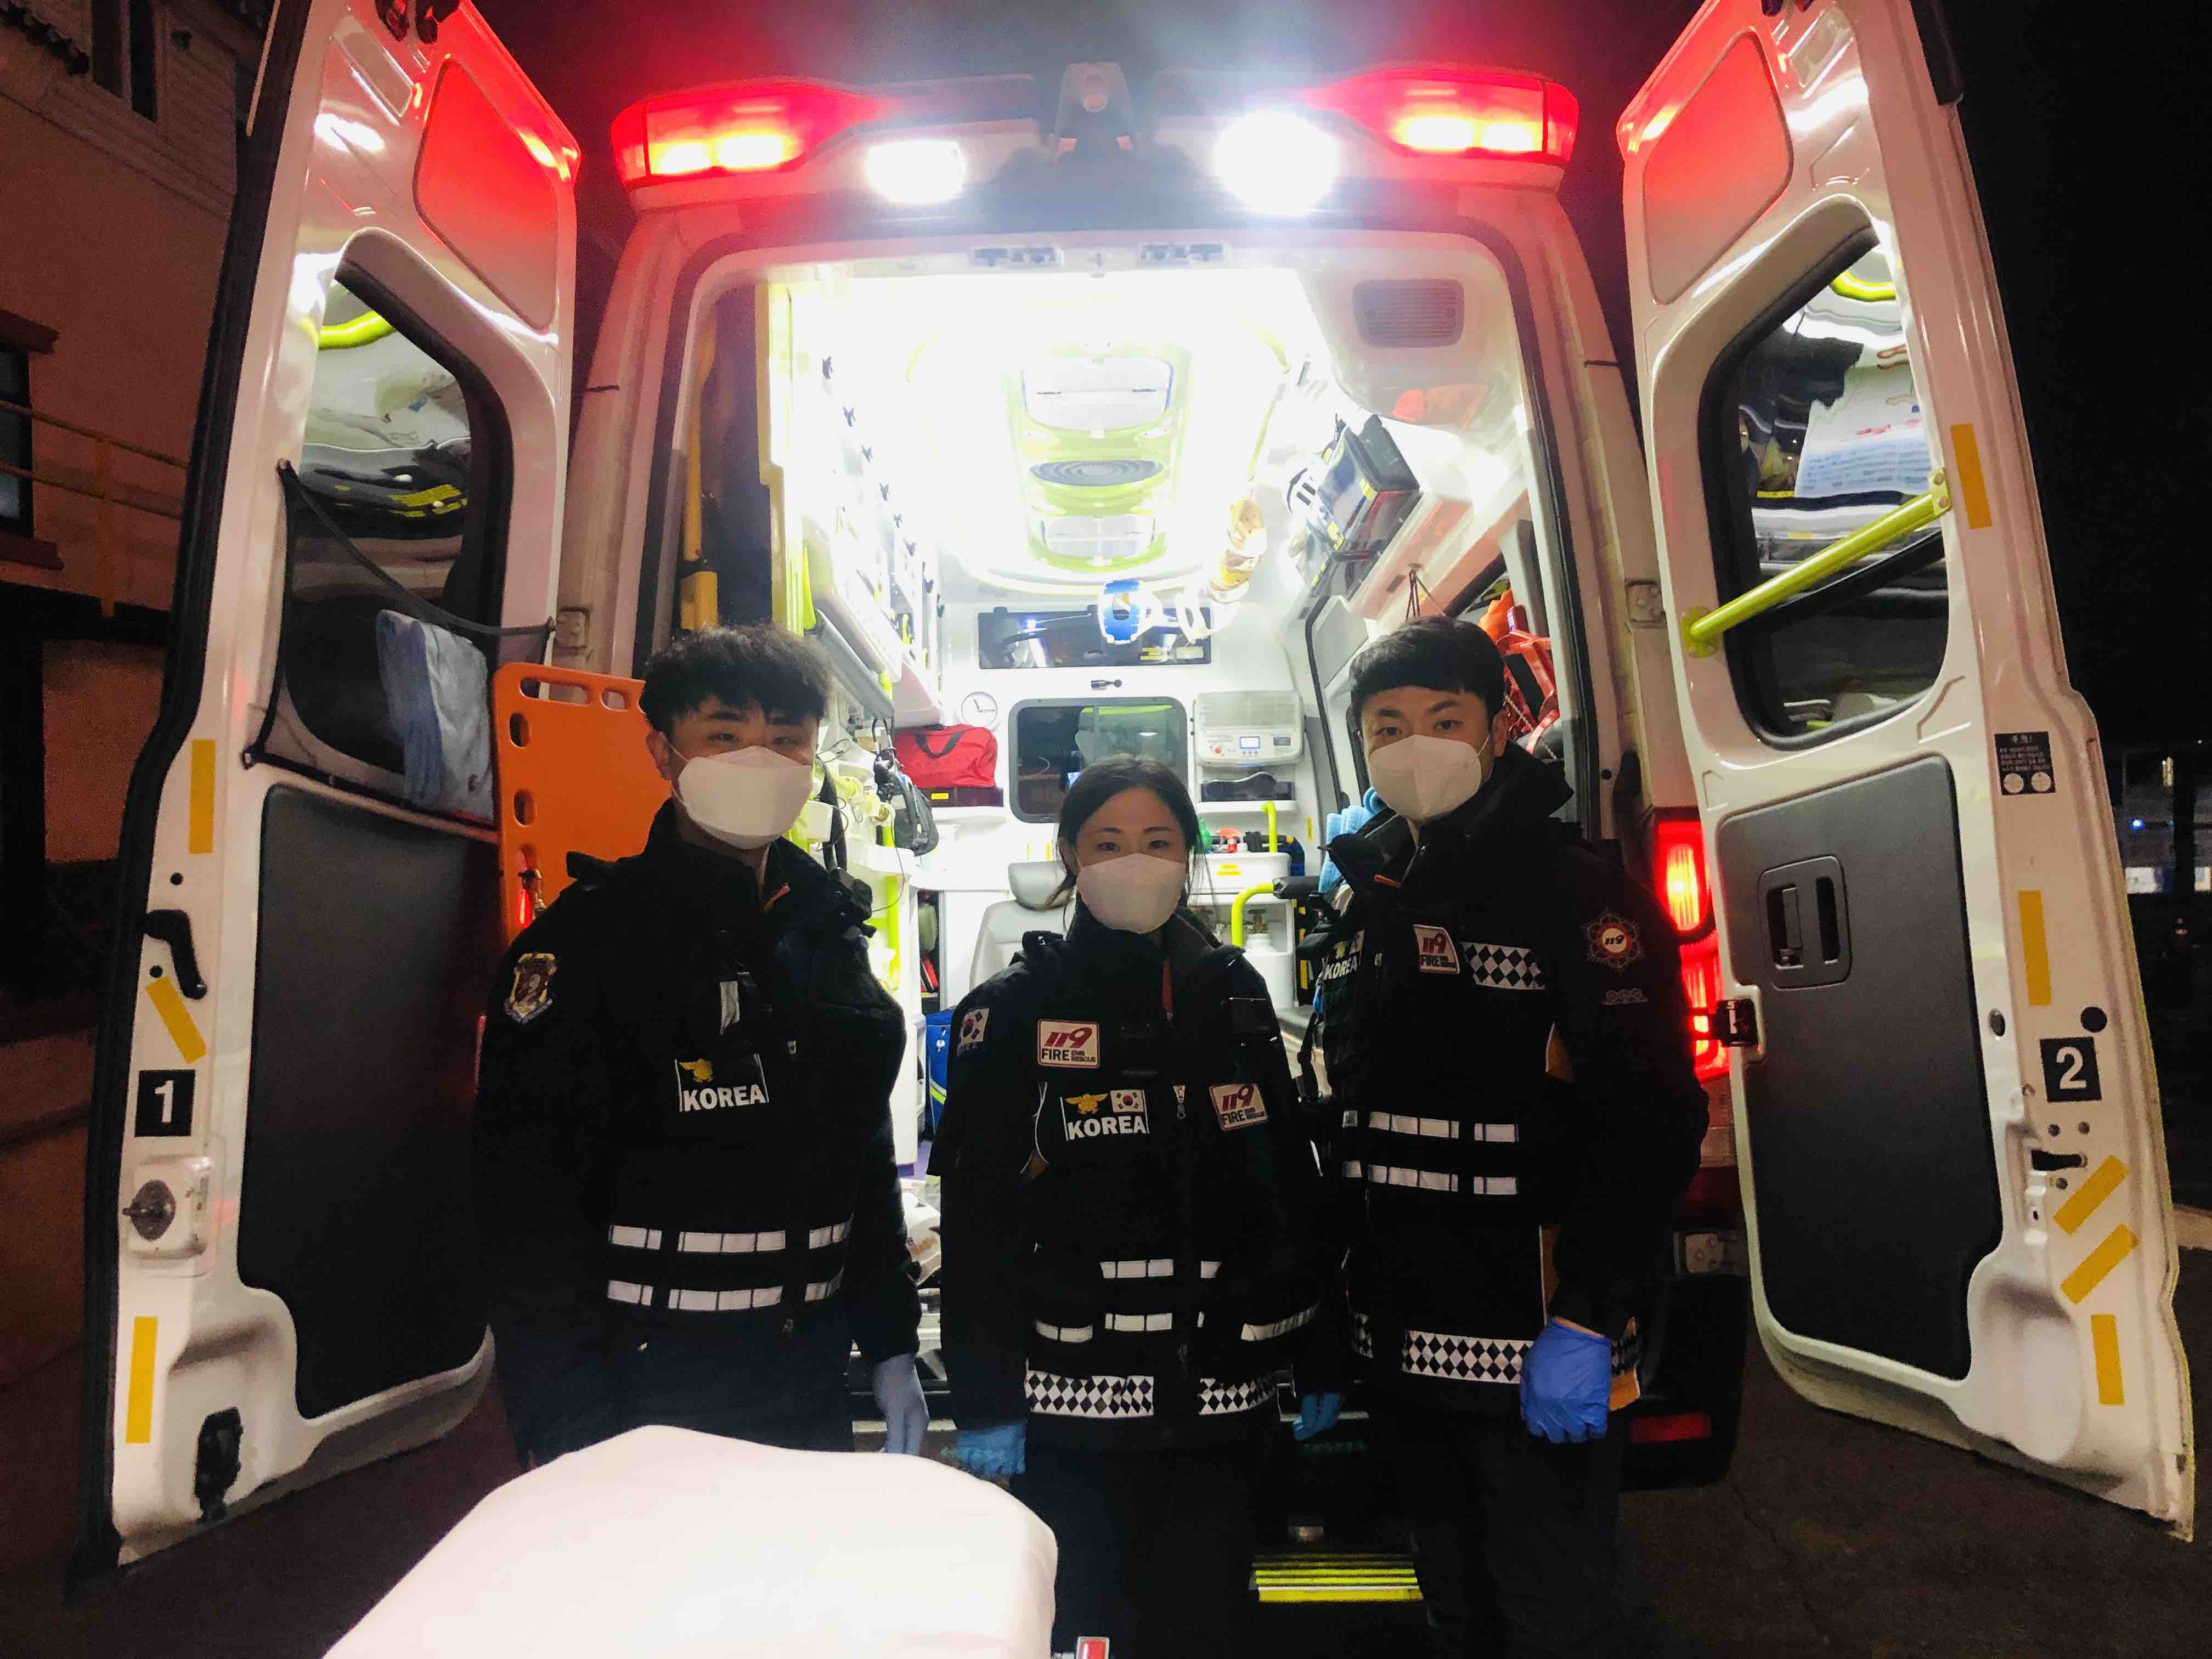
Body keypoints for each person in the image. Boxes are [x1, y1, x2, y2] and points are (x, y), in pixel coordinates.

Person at [1316, 617, 1707, 1657]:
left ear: (1497, 730)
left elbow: (1653, 1117)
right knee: (1456, 1610)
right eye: (1388, 727)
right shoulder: (1372, 895)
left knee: (1560, 1618)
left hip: (1535, 1345)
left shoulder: (1579, 894)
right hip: (1402, 1350)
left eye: (1444, 720)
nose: (1416, 745)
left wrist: (1588, 1317)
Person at [472, 625, 926, 1466]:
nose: (759, 761)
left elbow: (861, 1155)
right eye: (724, 735)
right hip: (646, 1403)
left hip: (808, 1392)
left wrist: (892, 1341)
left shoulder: (828, 934)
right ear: (663, 751)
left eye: (786, 739)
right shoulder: (590, 946)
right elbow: (527, 1219)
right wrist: (567, 1436)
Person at [936, 754, 1341, 1658]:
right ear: (1069, 856)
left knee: (1203, 1627)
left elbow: (1285, 1179)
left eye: (1159, 842)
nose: (1135, 862)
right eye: (1109, 843)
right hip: (1072, 1404)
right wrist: (987, 1392)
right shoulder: (1014, 1009)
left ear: (1189, 854)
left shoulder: (1234, 993)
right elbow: (975, 1214)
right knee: (1085, 1633)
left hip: (1222, 1397)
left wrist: (1318, 1344)